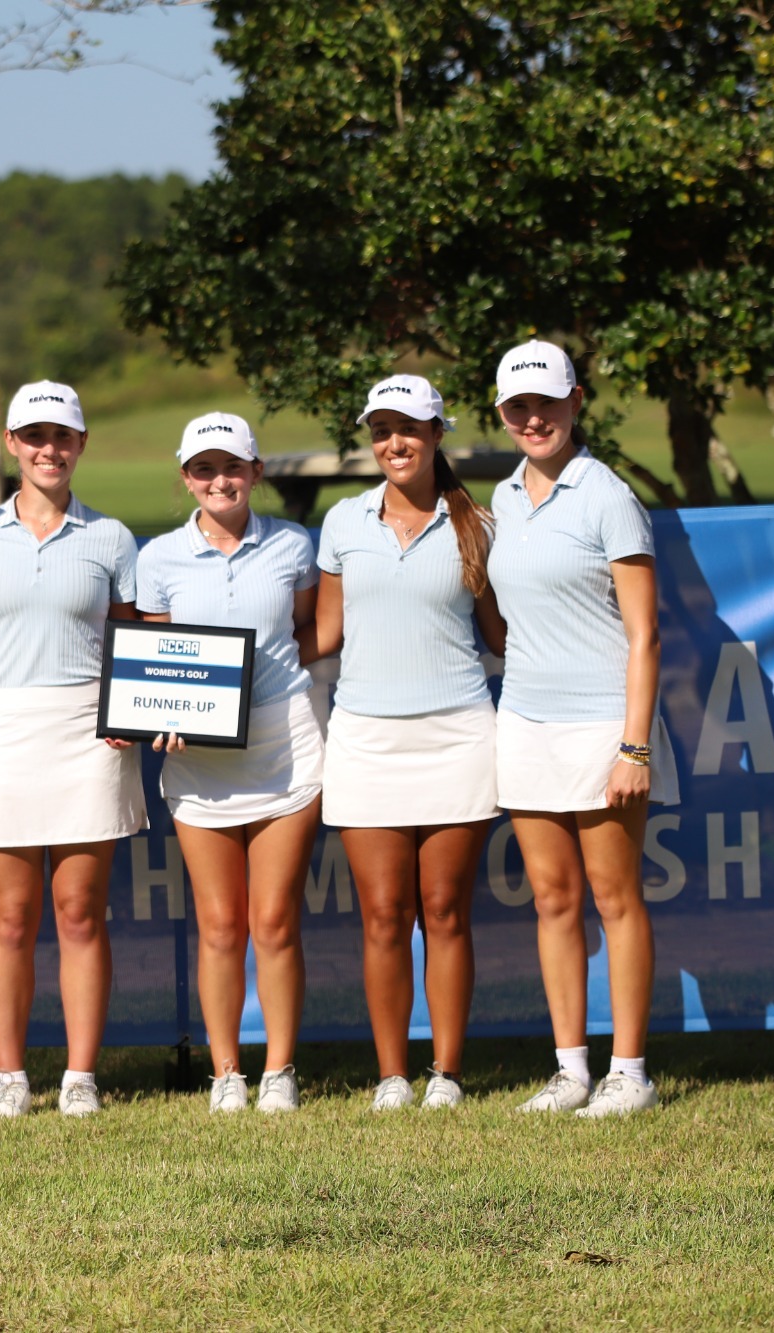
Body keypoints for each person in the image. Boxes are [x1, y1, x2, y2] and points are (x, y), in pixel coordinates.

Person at [486, 340, 679, 1119]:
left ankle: (629, 1071)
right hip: (524, 720)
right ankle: (571, 1070)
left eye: (548, 404)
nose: (535, 419)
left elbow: (646, 636)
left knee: (615, 896)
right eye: (518, 408)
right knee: (552, 899)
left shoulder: (608, 496)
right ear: (502, 413)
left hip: (604, 722)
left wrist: (634, 745)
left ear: (575, 403)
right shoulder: (501, 498)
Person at [0, 380, 146, 1118]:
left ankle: (79, 1078)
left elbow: (133, 643)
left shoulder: (112, 537)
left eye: (62, 437)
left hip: (88, 734)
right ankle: (10, 1077)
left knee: (79, 911)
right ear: (12, 444)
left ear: (81, 444)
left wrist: (132, 706)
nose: (48, 450)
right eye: (34, 437)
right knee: (9, 916)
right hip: (2, 728)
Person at [314, 374, 506, 1111]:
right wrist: (219, 677)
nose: (395, 443)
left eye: (410, 428)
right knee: (385, 913)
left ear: (436, 434)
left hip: (459, 733)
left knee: (445, 910)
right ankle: (393, 1074)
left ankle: (447, 1074)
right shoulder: (341, 523)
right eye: (382, 429)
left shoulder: (479, 524)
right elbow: (325, 634)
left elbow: (499, 639)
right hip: (364, 739)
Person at [133, 413, 323, 1114]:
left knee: (274, 921)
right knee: (219, 924)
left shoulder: (294, 546)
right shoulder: (157, 559)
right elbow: (158, 665)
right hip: (201, 760)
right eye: (205, 469)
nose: (220, 481)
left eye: (233, 467)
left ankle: (278, 1069)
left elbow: (305, 630)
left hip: (283, 743)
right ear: (186, 477)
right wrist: (168, 717)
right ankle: (226, 1073)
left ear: (256, 472)